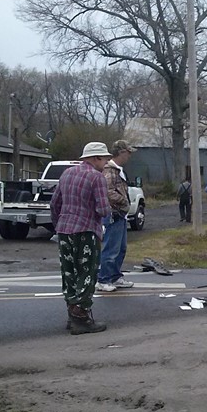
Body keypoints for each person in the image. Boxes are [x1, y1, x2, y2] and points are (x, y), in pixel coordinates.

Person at [50, 141, 114, 334]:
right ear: (96, 158)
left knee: (69, 273)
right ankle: (81, 317)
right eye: (104, 159)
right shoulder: (97, 178)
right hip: (87, 230)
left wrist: (58, 225)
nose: (106, 163)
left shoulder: (67, 174)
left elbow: (55, 204)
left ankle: (71, 313)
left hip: (64, 230)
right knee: (87, 272)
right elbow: (102, 209)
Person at [97, 140, 137, 292]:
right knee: (111, 248)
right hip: (113, 214)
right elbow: (107, 191)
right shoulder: (110, 170)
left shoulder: (118, 170)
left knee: (121, 248)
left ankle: (115, 276)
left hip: (120, 214)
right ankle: (103, 279)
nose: (129, 156)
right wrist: (124, 201)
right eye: (128, 152)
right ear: (121, 153)